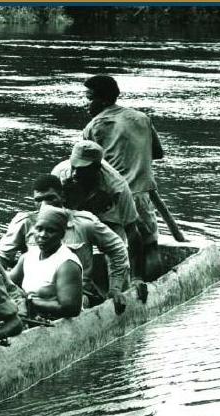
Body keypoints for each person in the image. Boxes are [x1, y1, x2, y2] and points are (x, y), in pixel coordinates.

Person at [0, 174, 130, 312]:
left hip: (76, 295)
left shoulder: (84, 223)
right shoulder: (25, 222)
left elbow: (118, 249)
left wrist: (115, 288)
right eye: (38, 200)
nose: (44, 205)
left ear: (62, 197)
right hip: (32, 293)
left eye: (50, 198)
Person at [82, 74, 163, 280]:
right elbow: (158, 153)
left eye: (89, 98)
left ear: (102, 100)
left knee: (116, 252)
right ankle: (152, 288)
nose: (86, 104)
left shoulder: (94, 127)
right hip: (141, 194)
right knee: (151, 246)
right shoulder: (142, 118)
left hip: (113, 196)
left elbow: (87, 167)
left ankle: (121, 292)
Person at [51, 140, 147, 296]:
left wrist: (138, 277)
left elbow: (132, 231)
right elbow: (49, 218)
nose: (75, 173)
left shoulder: (118, 188)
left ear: (96, 168)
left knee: (118, 258)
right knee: (73, 247)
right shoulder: (59, 175)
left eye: (81, 170)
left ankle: (120, 291)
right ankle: (81, 290)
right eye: (73, 167)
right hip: (76, 217)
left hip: (108, 218)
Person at [9, 205, 83, 321]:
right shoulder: (28, 257)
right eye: (39, 229)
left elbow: (71, 308)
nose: (42, 235)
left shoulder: (67, 264)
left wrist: (29, 302)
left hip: (54, 320)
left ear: (62, 234)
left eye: (50, 230)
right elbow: (9, 284)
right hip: (28, 314)